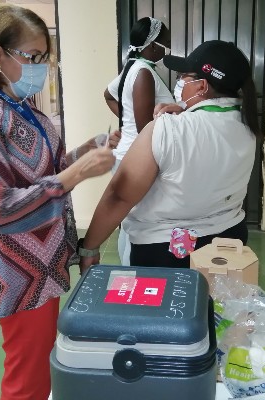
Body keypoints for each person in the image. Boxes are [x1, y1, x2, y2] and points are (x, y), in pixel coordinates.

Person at [0, 5, 117, 399]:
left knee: (42, 364)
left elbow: (49, 169)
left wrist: (92, 149)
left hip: (44, 259)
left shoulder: (19, 106)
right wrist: (77, 173)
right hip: (18, 268)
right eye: (32, 57)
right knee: (27, 378)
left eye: (44, 57)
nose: (40, 67)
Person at [78, 40, 261, 271]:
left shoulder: (167, 128)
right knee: (211, 306)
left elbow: (120, 196)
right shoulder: (247, 127)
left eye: (184, 76)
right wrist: (186, 111)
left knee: (167, 307)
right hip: (228, 242)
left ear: (202, 86)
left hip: (168, 251)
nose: (179, 82)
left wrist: (90, 247)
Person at [104, 16, 174, 265]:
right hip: (137, 155)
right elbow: (146, 128)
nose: (167, 49)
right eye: (165, 43)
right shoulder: (143, 72)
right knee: (137, 219)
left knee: (130, 217)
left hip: (127, 152)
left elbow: (108, 94)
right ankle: (131, 269)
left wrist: (127, 120)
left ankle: (129, 267)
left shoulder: (133, 68)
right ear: (152, 45)